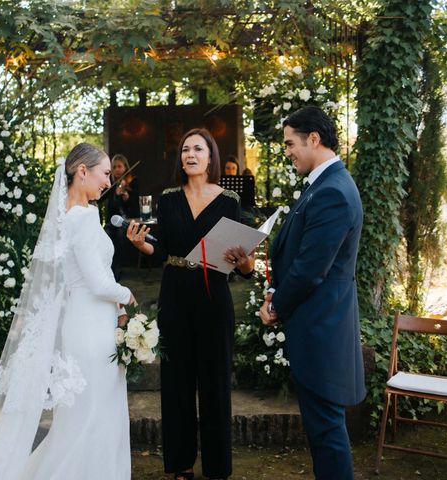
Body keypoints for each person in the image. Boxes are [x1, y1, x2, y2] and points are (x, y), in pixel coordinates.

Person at [0, 143, 136, 480]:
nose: (108, 182)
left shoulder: (67, 216)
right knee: (96, 415)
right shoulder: (82, 217)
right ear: (82, 171)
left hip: (87, 323)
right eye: (105, 173)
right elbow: (97, 283)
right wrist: (127, 295)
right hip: (92, 329)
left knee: (85, 416)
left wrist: (118, 308)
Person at [127, 128, 254, 480]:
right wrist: (142, 247)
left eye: (198, 148)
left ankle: (217, 468)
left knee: (214, 384)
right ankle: (181, 464)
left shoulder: (229, 201)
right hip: (176, 294)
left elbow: (245, 268)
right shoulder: (168, 199)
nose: (190, 154)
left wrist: (243, 260)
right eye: (185, 149)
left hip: (214, 295)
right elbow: (162, 249)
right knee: (176, 382)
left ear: (210, 156)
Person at [259, 106, 365, 480]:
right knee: (322, 432)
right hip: (318, 326)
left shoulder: (333, 191)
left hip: (323, 329)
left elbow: (310, 268)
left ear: (314, 139)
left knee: (327, 432)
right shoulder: (324, 185)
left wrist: (276, 304)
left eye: (290, 143)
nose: (287, 151)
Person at [104, 154, 140, 280]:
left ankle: (118, 268)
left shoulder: (133, 182)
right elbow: (111, 208)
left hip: (127, 221)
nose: (117, 169)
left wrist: (127, 198)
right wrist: (117, 195)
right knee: (106, 233)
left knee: (120, 234)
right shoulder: (110, 185)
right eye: (114, 167)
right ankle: (110, 267)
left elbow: (135, 207)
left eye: (120, 166)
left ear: (125, 167)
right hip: (112, 221)